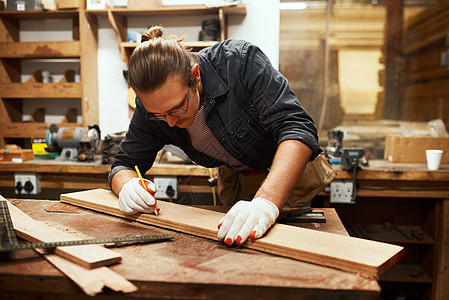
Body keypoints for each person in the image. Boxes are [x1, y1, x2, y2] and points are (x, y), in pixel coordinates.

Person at [109, 25, 330, 246]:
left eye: (177, 108)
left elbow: (296, 127)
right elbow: (124, 164)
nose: (170, 122)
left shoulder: (239, 62)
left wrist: (266, 203)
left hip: (286, 175)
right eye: (159, 115)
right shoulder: (152, 108)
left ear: (195, 76)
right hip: (238, 181)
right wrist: (127, 186)